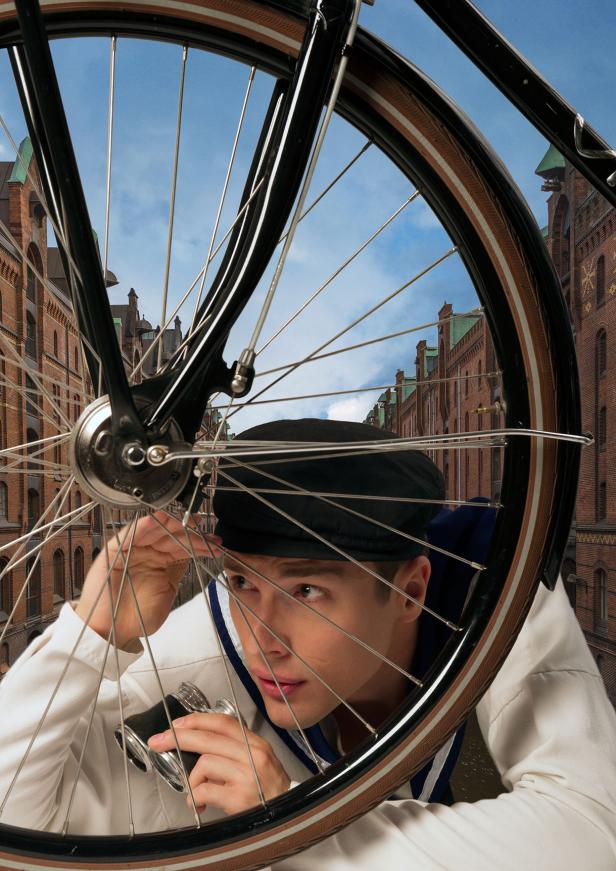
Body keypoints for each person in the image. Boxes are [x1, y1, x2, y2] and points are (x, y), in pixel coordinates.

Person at [0, 419, 614, 870]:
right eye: (242, 580)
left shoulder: (494, 591)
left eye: (307, 590)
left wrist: (294, 823)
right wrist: (90, 632)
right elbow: (19, 830)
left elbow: (592, 833)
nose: (263, 637)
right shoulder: (222, 627)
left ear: (409, 592)